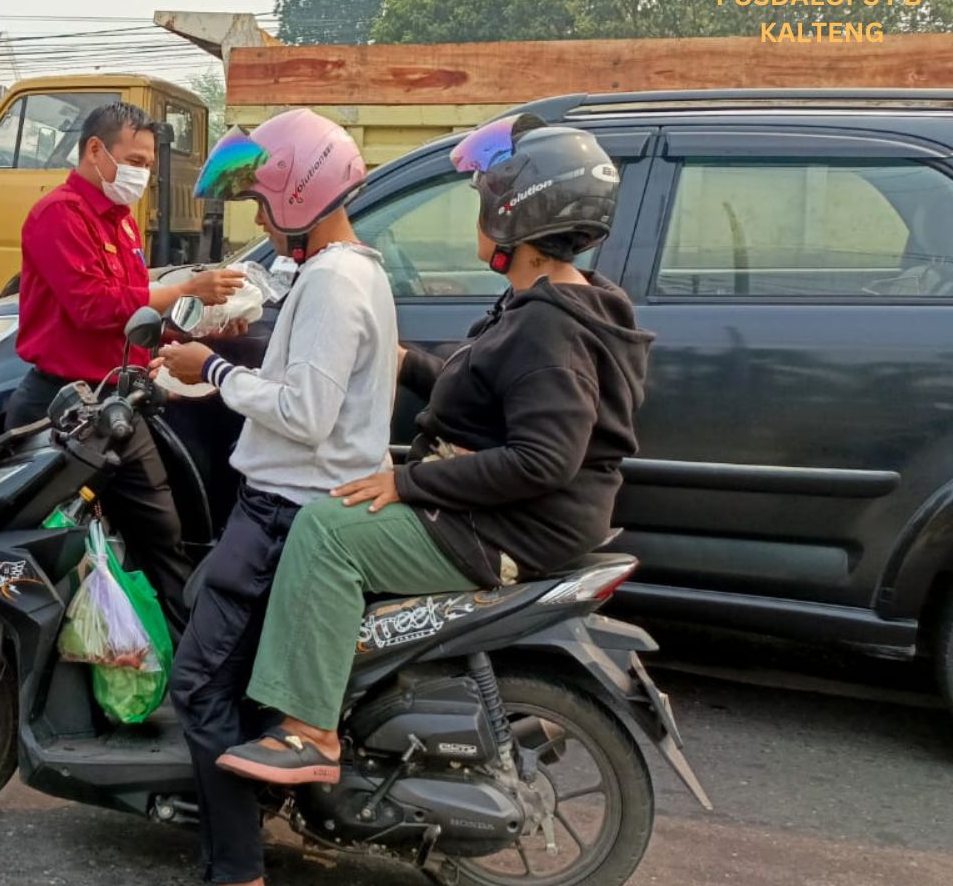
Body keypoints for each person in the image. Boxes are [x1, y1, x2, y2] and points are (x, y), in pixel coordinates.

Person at [216, 115, 653, 794]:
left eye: (483, 201)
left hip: (515, 524)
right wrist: (402, 361)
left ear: (515, 217)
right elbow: (480, 375)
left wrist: (409, 481)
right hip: (528, 514)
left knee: (327, 533)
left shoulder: (547, 328)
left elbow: (542, 460)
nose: (475, 217)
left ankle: (309, 732)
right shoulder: (565, 300)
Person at [150, 111, 396, 886]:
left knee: (196, 682)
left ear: (298, 191)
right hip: (293, 505)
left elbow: (304, 413)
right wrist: (226, 353)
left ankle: (237, 870)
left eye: (263, 199)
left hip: (285, 514)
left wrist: (211, 373)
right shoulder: (356, 269)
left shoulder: (331, 282)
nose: (258, 215)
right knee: (234, 675)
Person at [7, 102, 244, 632]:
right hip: (62, 407)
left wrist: (198, 329)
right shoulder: (59, 215)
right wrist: (186, 287)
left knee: (161, 533)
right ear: (96, 150)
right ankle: (13, 673)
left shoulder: (121, 224)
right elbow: (94, 305)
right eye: (134, 159)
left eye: (147, 162)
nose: (141, 173)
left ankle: (187, 667)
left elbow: (134, 315)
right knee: (44, 549)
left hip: (117, 405)